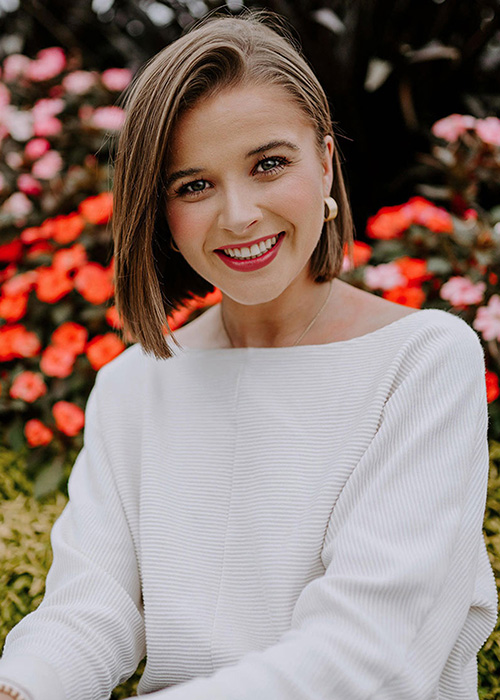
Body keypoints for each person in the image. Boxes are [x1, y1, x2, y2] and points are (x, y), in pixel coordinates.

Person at [0, 9, 497, 700]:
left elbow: (368, 655)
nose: (238, 215)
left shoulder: (423, 362)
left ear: (325, 162)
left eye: (269, 164)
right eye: (194, 185)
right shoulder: (133, 386)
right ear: (162, 213)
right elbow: (90, 612)